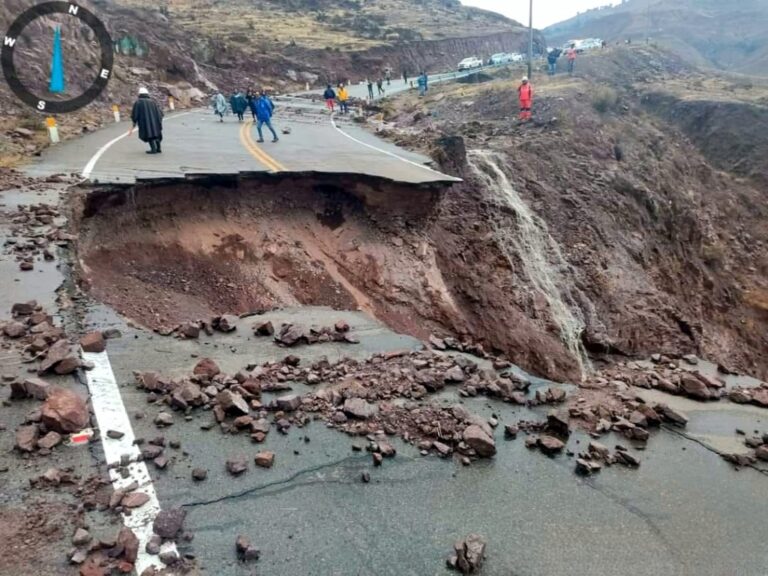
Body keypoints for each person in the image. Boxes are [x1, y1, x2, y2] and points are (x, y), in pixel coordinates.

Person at [130, 87, 163, 154]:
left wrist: (134, 121)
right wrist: (158, 120)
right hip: (155, 121)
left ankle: (153, 149)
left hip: (145, 122)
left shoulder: (138, 102)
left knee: (149, 133)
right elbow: (160, 112)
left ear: (139, 94)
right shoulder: (153, 101)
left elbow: (135, 113)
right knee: (156, 134)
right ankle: (158, 148)